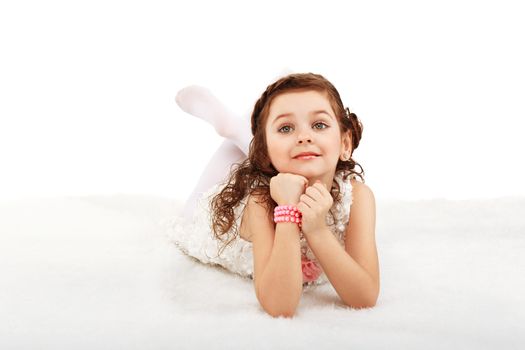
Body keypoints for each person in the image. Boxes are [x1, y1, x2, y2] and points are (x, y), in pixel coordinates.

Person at [169, 72, 379, 317]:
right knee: (193, 206)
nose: (304, 137)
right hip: (212, 219)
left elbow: (365, 296)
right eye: (286, 127)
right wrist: (287, 209)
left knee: (275, 135)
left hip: (271, 156)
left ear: (345, 144)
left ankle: (241, 129)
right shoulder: (259, 202)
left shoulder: (357, 196)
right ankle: (237, 130)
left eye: (319, 125)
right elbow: (280, 306)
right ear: (265, 155)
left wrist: (317, 230)